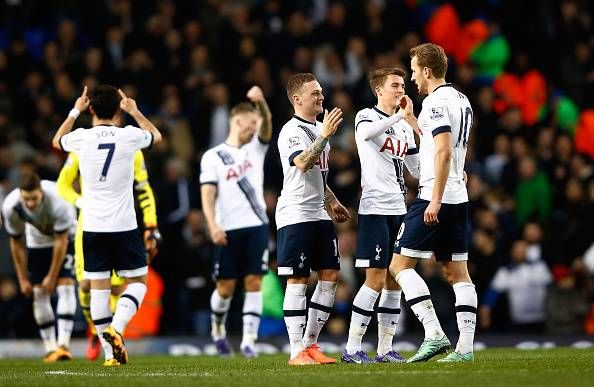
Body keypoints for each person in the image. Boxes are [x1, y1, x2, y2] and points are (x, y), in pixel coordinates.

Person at [51, 84, 162, 366]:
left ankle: (110, 355)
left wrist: (74, 110)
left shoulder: (80, 138)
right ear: (118, 109)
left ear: (91, 109)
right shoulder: (129, 136)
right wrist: (135, 111)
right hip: (123, 226)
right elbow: (157, 137)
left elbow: (56, 141)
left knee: (97, 289)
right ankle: (117, 329)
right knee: (138, 283)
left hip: (91, 226)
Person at [389, 43, 477, 362]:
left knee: (399, 265)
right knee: (456, 272)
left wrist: (435, 200)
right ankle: (465, 349)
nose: (412, 77)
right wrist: (413, 121)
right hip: (458, 194)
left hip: (435, 195)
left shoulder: (436, 103)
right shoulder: (460, 99)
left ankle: (434, 334)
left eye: (413, 70)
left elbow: (442, 151)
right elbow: (445, 146)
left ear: (427, 71)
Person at [342, 68, 419, 364]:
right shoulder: (367, 116)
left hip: (400, 209)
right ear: (379, 91)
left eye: (402, 85)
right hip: (375, 207)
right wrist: (400, 116)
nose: (401, 90)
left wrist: (444, 176)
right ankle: (351, 348)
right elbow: (364, 135)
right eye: (395, 85)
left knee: (395, 279)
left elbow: (416, 168)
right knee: (374, 279)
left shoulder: (402, 127)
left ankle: (385, 348)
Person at [276, 73, 350, 366]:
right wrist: (325, 137)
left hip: (318, 211)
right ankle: (296, 352)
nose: (321, 97)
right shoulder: (291, 131)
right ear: (297, 99)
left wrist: (332, 201)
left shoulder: (320, 130)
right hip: (295, 213)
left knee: (330, 275)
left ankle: (310, 345)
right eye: (314, 94)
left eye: (321, 92)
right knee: (299, 278)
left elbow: (318, 175)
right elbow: (303, 162)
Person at [199, 86, 272, 357]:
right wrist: (212, 225)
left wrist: (261, 102)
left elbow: (267, 124)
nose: (255, 128)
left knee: (254, 281)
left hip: (257, 225)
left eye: (256, 123)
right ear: (238, 121)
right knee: (225, 287)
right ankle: (217, 329)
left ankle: (248, 341)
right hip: (226, 228)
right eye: (251, 123)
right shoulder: (213, 156)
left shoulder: (256, 149)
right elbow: (207, 194)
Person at [2, 173, 77, 362]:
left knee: (65, 285)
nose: (30, 204)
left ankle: (63, 345)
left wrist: (52, 277)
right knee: (39, 293)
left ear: (41, 193)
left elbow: (60, 241)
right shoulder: (11, 207)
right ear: (20, 195)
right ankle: (50, 348)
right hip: (37, 241)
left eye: (34, 198)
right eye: (26, 199)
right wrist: (22, 278)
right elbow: (16, 243)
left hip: (66, 237)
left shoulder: (58, 200)